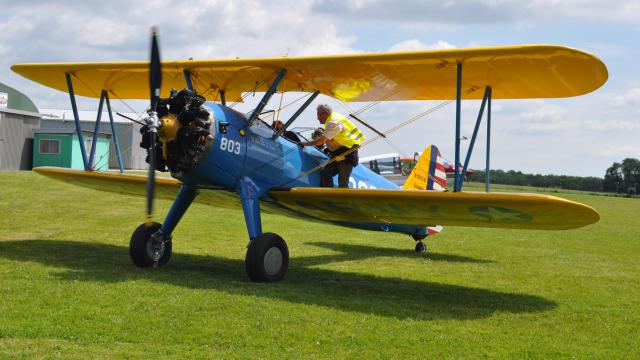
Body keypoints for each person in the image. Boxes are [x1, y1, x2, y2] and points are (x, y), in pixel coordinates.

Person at [299, 104, 365, 188]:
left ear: (325, 113)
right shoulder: (334, 118)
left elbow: (321, 141)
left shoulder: (333, 122)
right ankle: (327, 196)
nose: (317, 118)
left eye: (319, 115)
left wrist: (304, 144)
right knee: (326, 173)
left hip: (347, 153)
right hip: (337, 153)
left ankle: (342, 200)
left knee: (343, 181)